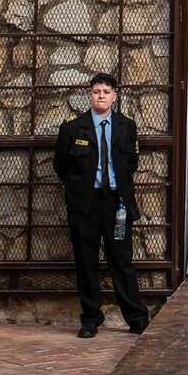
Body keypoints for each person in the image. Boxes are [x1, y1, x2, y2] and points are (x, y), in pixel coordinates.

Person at [52, 73, 149, 338]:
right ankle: (91, 318)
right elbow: (61, 165)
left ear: (115, 96)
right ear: (90, 95)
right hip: (86, 204)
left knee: (122, 261)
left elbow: (131, 164)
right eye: (96, 91)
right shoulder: (73, 127)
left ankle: (136, 318)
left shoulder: (126, 126)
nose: (101, 95)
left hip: (117, 202)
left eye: (106, 91)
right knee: (86, 262)